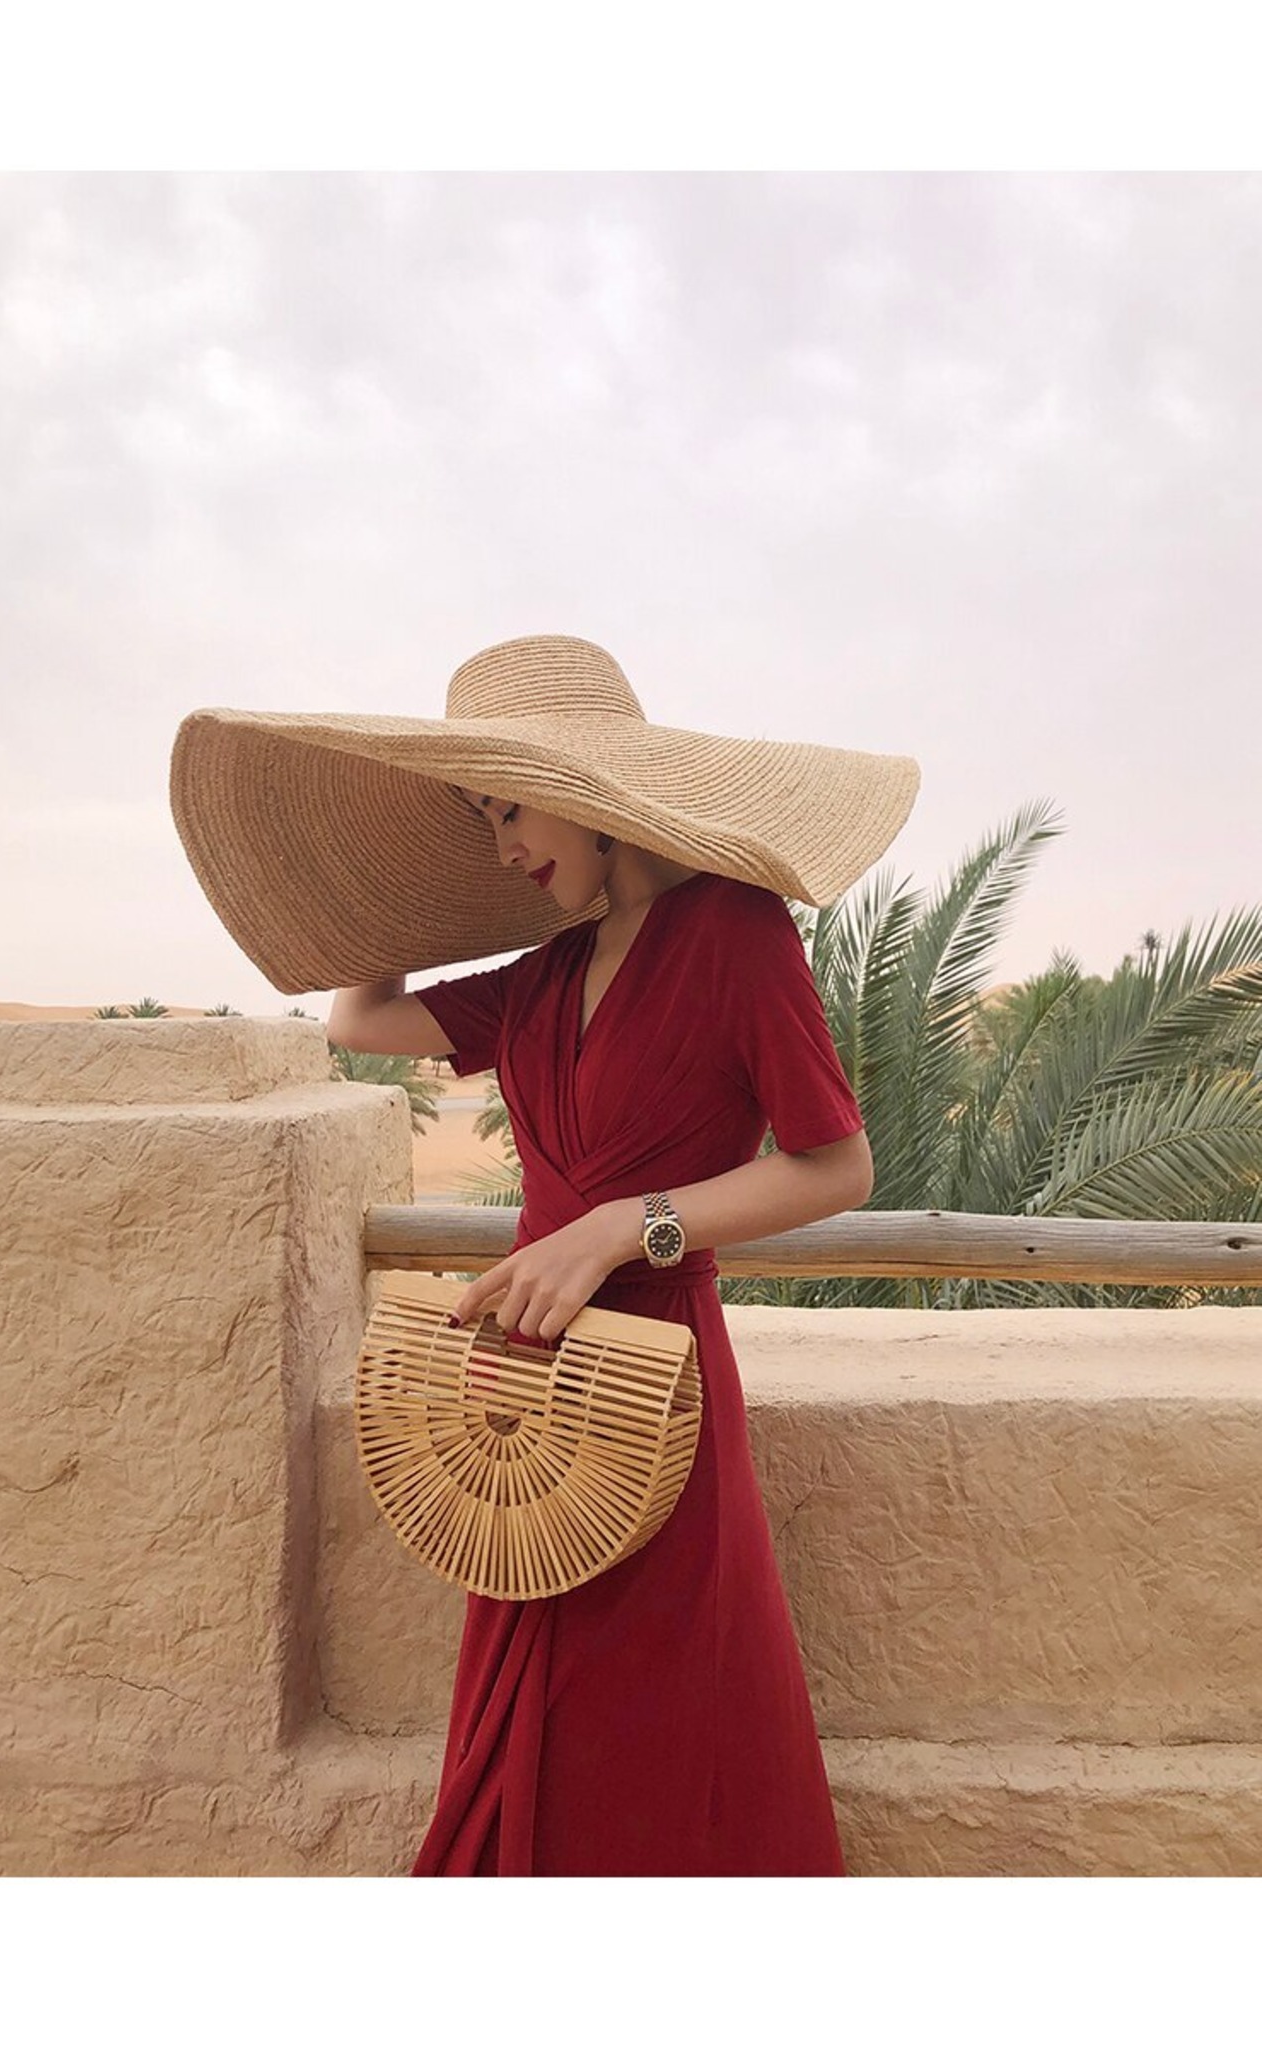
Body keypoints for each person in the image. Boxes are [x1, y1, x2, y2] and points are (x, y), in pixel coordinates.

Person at [169, 633, 921, 1877]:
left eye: (509, 808)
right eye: (480, 817)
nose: (501, 846)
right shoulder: (545, 970)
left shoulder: (734, 931)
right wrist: (382, 883)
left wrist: (626, 1223)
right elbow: (362, 1018)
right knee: (529, 1700)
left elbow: (836, 1165)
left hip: (655, 1375)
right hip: (520, 1385)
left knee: (654, 1708)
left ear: (583, 788)